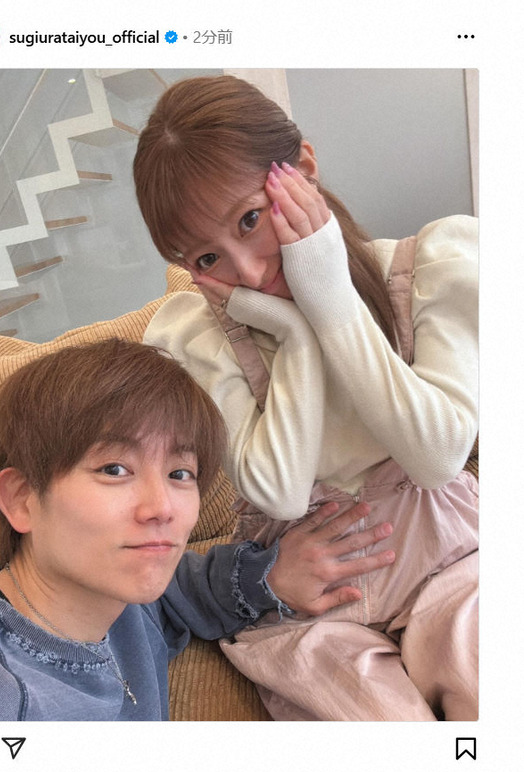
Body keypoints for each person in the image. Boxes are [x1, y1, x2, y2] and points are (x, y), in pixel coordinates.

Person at [134, 75, 479, 720]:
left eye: (251, 219)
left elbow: (437, 457)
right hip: (305, 601)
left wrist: (330, 299)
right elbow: (279, 493)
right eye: (207, 258)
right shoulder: (194, 336)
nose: (248, 272)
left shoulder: (428, 268)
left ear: (305, 170)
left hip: (451, 561)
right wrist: (294, 334)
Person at [0, 338, 395, 721]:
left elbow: (179, 591)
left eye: (180, 474)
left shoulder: (123, 601)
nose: (162, 508)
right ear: (22, 499)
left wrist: (271, 576)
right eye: (114, 469)